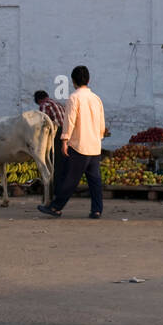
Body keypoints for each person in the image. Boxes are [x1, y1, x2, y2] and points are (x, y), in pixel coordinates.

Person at [38, 65, 108, 219]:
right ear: (88, 80)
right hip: (95, 146)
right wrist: (99, 137)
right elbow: (102, 124)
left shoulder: (74, 98)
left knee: (70, 179)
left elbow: (69, 121)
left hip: (79, 145)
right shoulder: (96, 99)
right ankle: (96, 210)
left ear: (73, 81)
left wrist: (64, 140)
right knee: (95, 181)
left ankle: (56, 207)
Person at [34, 89, 68, 190]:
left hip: (56, 134)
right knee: (62, 162)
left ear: (39, 100)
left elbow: (43, 124)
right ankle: (63, 187)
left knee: (53, 162)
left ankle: (55, 189)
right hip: (65, 133)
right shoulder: (58, 104)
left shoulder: (44, 105)